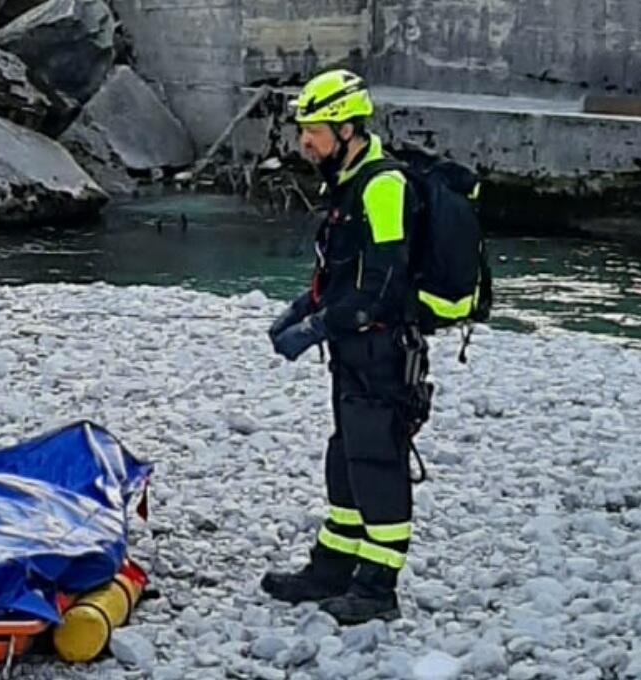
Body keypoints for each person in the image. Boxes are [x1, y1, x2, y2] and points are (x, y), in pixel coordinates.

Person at [260, 69, 429, 625]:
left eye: (315, 131)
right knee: (345, 458)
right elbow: (341, 273)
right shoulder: (348, 181)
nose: (304, 142)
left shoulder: (382, 185)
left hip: (381, 351)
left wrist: (316, 329)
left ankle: (378, 588)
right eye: (304, 130)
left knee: (377, 461)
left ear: (349, 129)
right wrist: (301, 310)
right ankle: (333, 567)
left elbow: (380, 286)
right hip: (354, 351)